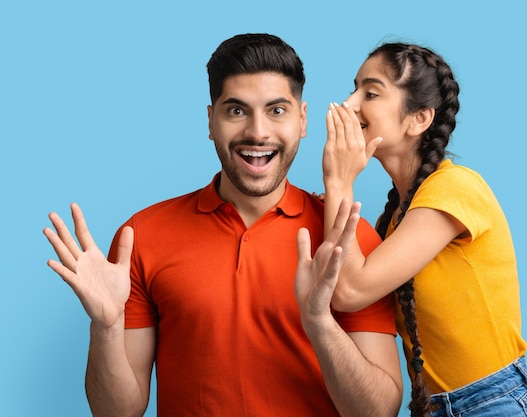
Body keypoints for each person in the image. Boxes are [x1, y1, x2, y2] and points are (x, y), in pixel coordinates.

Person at [43, 33, 403, 417]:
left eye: (276, 111)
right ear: (211, 121)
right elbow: (118, 412)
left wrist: (319, 323)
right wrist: (107, 328)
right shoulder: (141, 237)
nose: (257, 132)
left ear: (302, 120)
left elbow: (377, 412)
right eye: (236, 111)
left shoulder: (349, 240)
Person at [317, 42, 527, 416]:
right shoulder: (393, 220)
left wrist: (339, 182)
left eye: (370, 92)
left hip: (494, 404)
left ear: (419, 119)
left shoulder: (454, 188)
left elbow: (348, 290)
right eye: (353, 89)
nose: (349, 104)